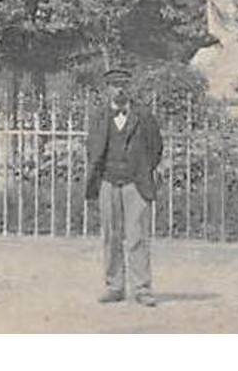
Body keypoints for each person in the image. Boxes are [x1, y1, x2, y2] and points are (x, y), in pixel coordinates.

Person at [83, 68, 164, 307]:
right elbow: (93, 148)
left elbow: (156, 147)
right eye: (114, 85)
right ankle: (114, 286)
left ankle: (142, 288)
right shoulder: (99, 116)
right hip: (108, 183)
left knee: (137, 236)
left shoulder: (144, 116)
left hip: (135, 185)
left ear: (130, 88)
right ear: (107, 88)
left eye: (123, 85)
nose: (119, 89)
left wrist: (142, 170)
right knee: (111, 236)